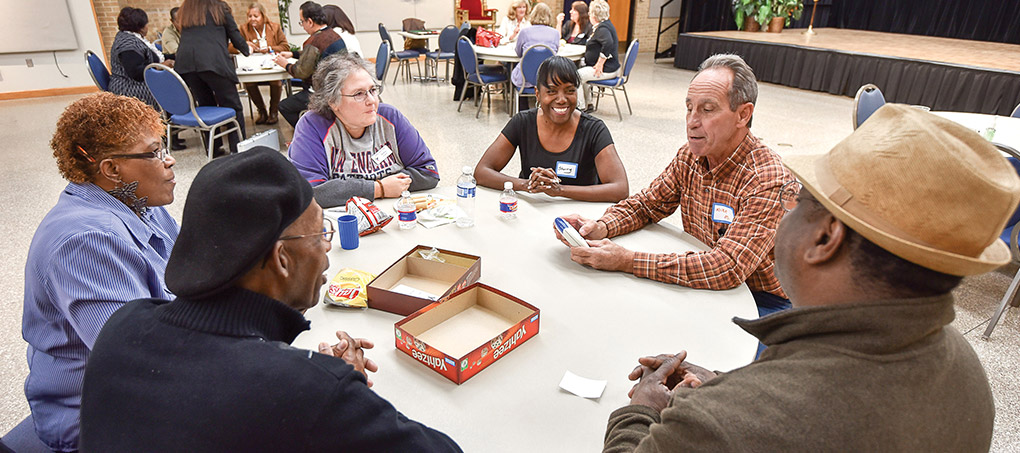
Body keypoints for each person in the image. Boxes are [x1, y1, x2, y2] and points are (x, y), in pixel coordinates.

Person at [603, 104, 1010, 452]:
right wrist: (729, 386)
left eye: (795, 204)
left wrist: (642, 411)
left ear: (825, 237)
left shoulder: (719, 426)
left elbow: (781, 418)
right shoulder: (966, 371)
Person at [79, 148, 462, 452]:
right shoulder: (305, 391)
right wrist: (337, 392)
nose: (327, 248)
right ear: (281, 259)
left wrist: (302, 376)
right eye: (320, 235)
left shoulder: (123, 324)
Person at [555, 54, 794, 319]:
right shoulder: (690, 157)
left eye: (707, 109)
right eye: (689, 107)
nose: (692, 121)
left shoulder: (768, 179)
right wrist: (600, 226)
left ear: (743, 114)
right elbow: (646, 205)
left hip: (761, 301)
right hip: (705, 281)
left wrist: (627, 260)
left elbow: (727, 267)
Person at [23, 92, 179, 453]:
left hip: (152, 378)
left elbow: (192, 278)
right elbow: (143, 360)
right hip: (97, 414)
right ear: (111, 169)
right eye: (154, 152)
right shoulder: (86, 241)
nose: (169, 160)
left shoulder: (139, 202)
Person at [289, 53, 439, 208]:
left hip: (396, 213)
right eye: (359, 94)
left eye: (373, 90)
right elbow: (312, 193)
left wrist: (347, 189)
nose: (372, 101)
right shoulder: (312, 125)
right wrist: (379, 188)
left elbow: (428, 173)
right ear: (333, 101)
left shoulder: (390, 118)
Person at [477, 56, 627, 203]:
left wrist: (559, 190)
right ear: (538, 94)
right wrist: (526, 185)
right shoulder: (523, 122)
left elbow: (620, 189)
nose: (561, 99)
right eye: (551, 91)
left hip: (579, 217)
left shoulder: (593, 129)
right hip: (532, 210)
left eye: (569, 91)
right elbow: (481, 172)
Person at [175, 0, 249, 155]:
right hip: (213, 62)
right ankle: (238, 150)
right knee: (233, 106)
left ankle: (214, 148)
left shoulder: (187, 8)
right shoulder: (219, 7)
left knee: (205, 104)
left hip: (187, 63)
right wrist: (246, 50)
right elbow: (234, 33)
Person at [275, 1, 343, 127]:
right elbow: (317, 54)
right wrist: (293, 54)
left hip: (320, 93)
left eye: (302, 22)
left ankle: (309, 133)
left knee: (284, 106)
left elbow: (301, 72)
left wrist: (285, 64)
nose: (302, 25)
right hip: (339, 86)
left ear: (310, 21)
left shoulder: (314, 41)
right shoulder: (334, 35)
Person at [232, 2, 289, 125]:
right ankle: (262, 111)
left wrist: (270, 48)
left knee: (276, 81)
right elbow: (230, 47)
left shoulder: (274, 27)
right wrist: (244, 45)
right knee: (249, 82)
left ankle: (273, 111)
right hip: (251, 65)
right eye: (250, 16)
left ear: (263, 16)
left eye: (255, 16)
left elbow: (285, 46)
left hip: (270, 63)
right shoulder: (243, 29)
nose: (252, 19)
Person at [109, 7, 165, 110]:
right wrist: (160, 67)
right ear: (140, 26)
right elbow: (136, 73)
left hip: (134, 84)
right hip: (130, 90)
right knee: (173, 86)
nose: (148, 27)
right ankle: (175, 117)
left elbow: (153, 57)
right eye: (147, 24)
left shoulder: (131, 37)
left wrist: (176, 56)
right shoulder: (128, 44)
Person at [511, 2, 559, 106]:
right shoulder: (555, 33)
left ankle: (523, 111)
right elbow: (554, 54)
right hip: (548, 80)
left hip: (525, 79)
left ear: (533, 14)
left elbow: (518, 53)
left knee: (514, 71)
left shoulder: (524, 32)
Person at [577, 0, 620, 112]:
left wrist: (600, 63)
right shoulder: (605, 25)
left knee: (577, 76)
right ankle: (588, 104)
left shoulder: (602, 29)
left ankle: (579, 108)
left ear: (593, 15)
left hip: (607, 69)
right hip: (610, 67)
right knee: (583, 73)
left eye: (590, 13)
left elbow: (608, 43)